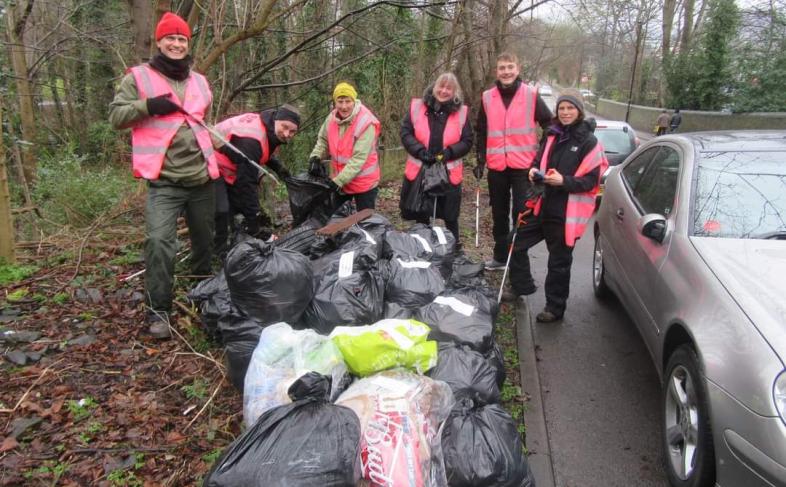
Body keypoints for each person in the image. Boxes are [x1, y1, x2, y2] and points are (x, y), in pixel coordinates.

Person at [109, 12, 217, 339]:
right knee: (158, 243)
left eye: (182, 39)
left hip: (201, 178)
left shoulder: (199, 81)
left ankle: (204, 298)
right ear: (159, 41)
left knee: (204, 244)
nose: (176, 43)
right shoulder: (139, 78)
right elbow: (116, 116)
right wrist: (148, 107)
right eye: (170, 38)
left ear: (188, 44)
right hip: (164, 182)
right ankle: (159, 312)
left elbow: (200, 121)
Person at [509, 90, 607, 322]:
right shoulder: (551, 134)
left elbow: (592, 181)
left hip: (565, 212)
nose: (564, 112)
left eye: (570, 108)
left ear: (579, 111)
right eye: (561, 108)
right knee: (514, 242)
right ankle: (521, 286)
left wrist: (564, 181)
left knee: (559, 263)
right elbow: (537, 159)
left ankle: (554, 308)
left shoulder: (589, 142)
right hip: (541, 204)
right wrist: (533, 170)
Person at [474, 52, 553, 270]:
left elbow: (550, 125)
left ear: (518, 69)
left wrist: (541, 156)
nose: (506, 71)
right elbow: (481, 130)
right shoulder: (487, 97)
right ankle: (500, 257)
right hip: (497, 166)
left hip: (524, 167)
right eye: (502, 68)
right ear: (496, 72)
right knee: (499, 214)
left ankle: (516, 261)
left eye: (510, 67)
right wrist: (480, 158)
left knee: (520, 214)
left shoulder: (530, 94)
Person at [213, 105, 300, 257]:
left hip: (229, 165)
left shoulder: (266, 125)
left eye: (292, 131)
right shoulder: (252, 139)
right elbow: (246, 184)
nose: (287, 134)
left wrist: (278, 168)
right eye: (285, 127)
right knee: (223, 210)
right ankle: (220, 254)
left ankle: (234, 238)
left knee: (236, 207)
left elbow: (262, 150)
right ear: (276, 120)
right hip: (210, 164)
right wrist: (255, 226)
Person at [399, 73, 473, 245]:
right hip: (420, 170)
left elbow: (467, 141)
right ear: (434, 87)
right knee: (421, 214)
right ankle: (421, 247)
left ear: (455, 92)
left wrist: (449, 152)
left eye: (449, 88)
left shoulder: (461, 113)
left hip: (448, 172)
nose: (444, 91)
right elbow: (405, 132)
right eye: (441, 86)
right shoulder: (417, 107)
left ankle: (454, 250)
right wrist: (418, 151)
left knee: (450, 216)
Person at [307, 82, 381, 211]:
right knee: (336, 221)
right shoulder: (331, 118)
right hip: (341, 181)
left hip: (364, 183)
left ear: (354, 101)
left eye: (348, 101)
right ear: (335, 102)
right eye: (340, 101)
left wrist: (338, 181)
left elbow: (358, 159)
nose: (344, 106)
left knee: (365, 223)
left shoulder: (366, 123)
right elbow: (323, 140)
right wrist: (315, 157)